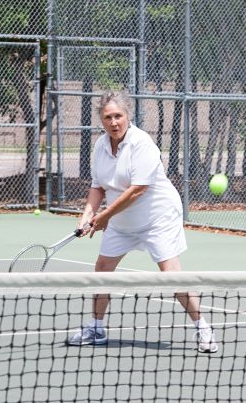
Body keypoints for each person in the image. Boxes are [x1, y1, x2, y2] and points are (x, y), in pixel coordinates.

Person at [65, 93, 218, 353]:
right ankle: (96, 327)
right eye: (108, 117)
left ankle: (203, 329)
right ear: (101, 121)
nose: (114, 122)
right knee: (102, 268)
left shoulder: (142, 144)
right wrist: (87, 216)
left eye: (118, 116)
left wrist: (103, 217)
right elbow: (97, 187)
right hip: (122, 219)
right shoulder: (100, 146)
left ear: (127, 117)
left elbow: (138, 190)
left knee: (171, 274)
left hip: (158, 217)